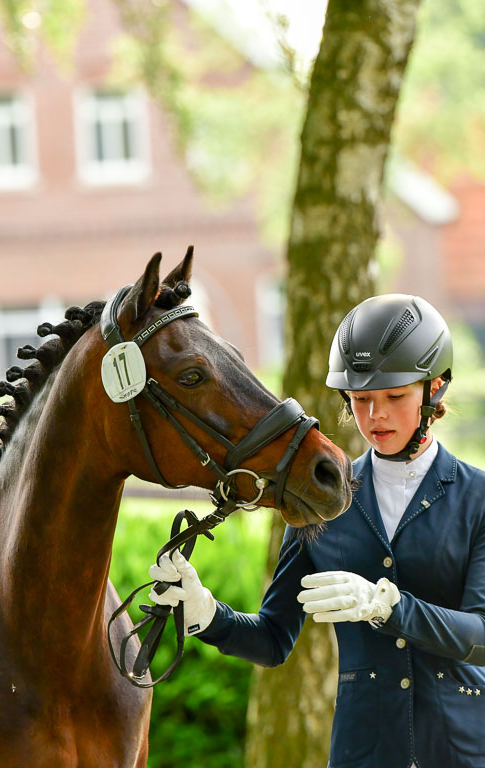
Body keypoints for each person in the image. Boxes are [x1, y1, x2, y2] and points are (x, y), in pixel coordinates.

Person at [149, 294, 485, 768]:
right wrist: (207, 614)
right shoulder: (322, 500)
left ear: (434, 389)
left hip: (461, 752)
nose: (375, 417)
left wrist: (388, 605)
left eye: (393, 397)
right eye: (361, 400)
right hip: (361, 754)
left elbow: (483, 636)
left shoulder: (478, 497)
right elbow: (272, 639)